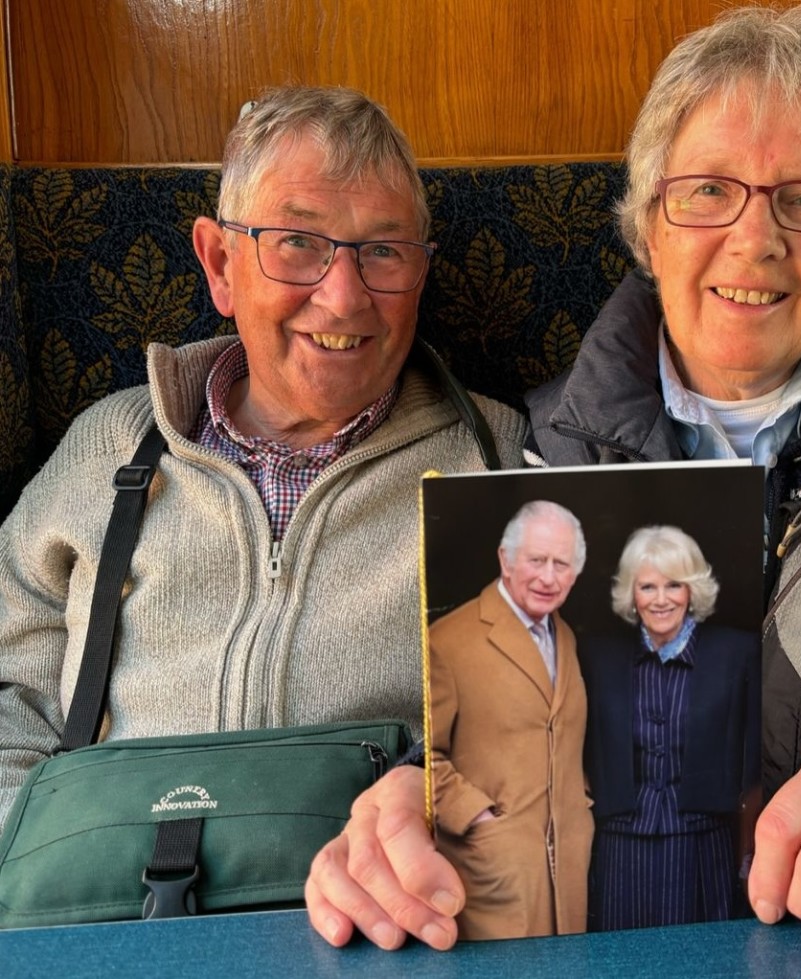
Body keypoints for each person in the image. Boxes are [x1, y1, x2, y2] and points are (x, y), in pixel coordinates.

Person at [304, 6, 801, 951]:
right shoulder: (552, 447)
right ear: (651, 223)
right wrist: (422, 790)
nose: (755, 238)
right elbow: (508, 678)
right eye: (708, 191)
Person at [0, 86, 526, 831]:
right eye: (298, 243)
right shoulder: (109, 447)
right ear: (220, 263)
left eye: (382, 251)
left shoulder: (498, 459)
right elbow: (5, 682)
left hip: (386, 911)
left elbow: (547, 728)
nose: (344, 298)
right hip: (112, 908)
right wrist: (34, 858)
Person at [580, 526, 759, 931]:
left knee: (702, 961)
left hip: (704, 843)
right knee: (620, 963)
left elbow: (756, 758)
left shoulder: (739, 652)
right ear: (632, 593)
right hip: (621, 846)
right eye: (647, 587)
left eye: (674, 585)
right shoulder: (596, 655)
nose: (661, 599)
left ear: (692, 589)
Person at [428, 499, 593, 939]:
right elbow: (426, 758)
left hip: (568, 870)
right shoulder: (448, 640)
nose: (548, 577)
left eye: (562, 564)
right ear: (505, 558)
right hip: (492, 870)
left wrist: (581, 800)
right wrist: (480, 817)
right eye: (536, 560)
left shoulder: (566, 635)